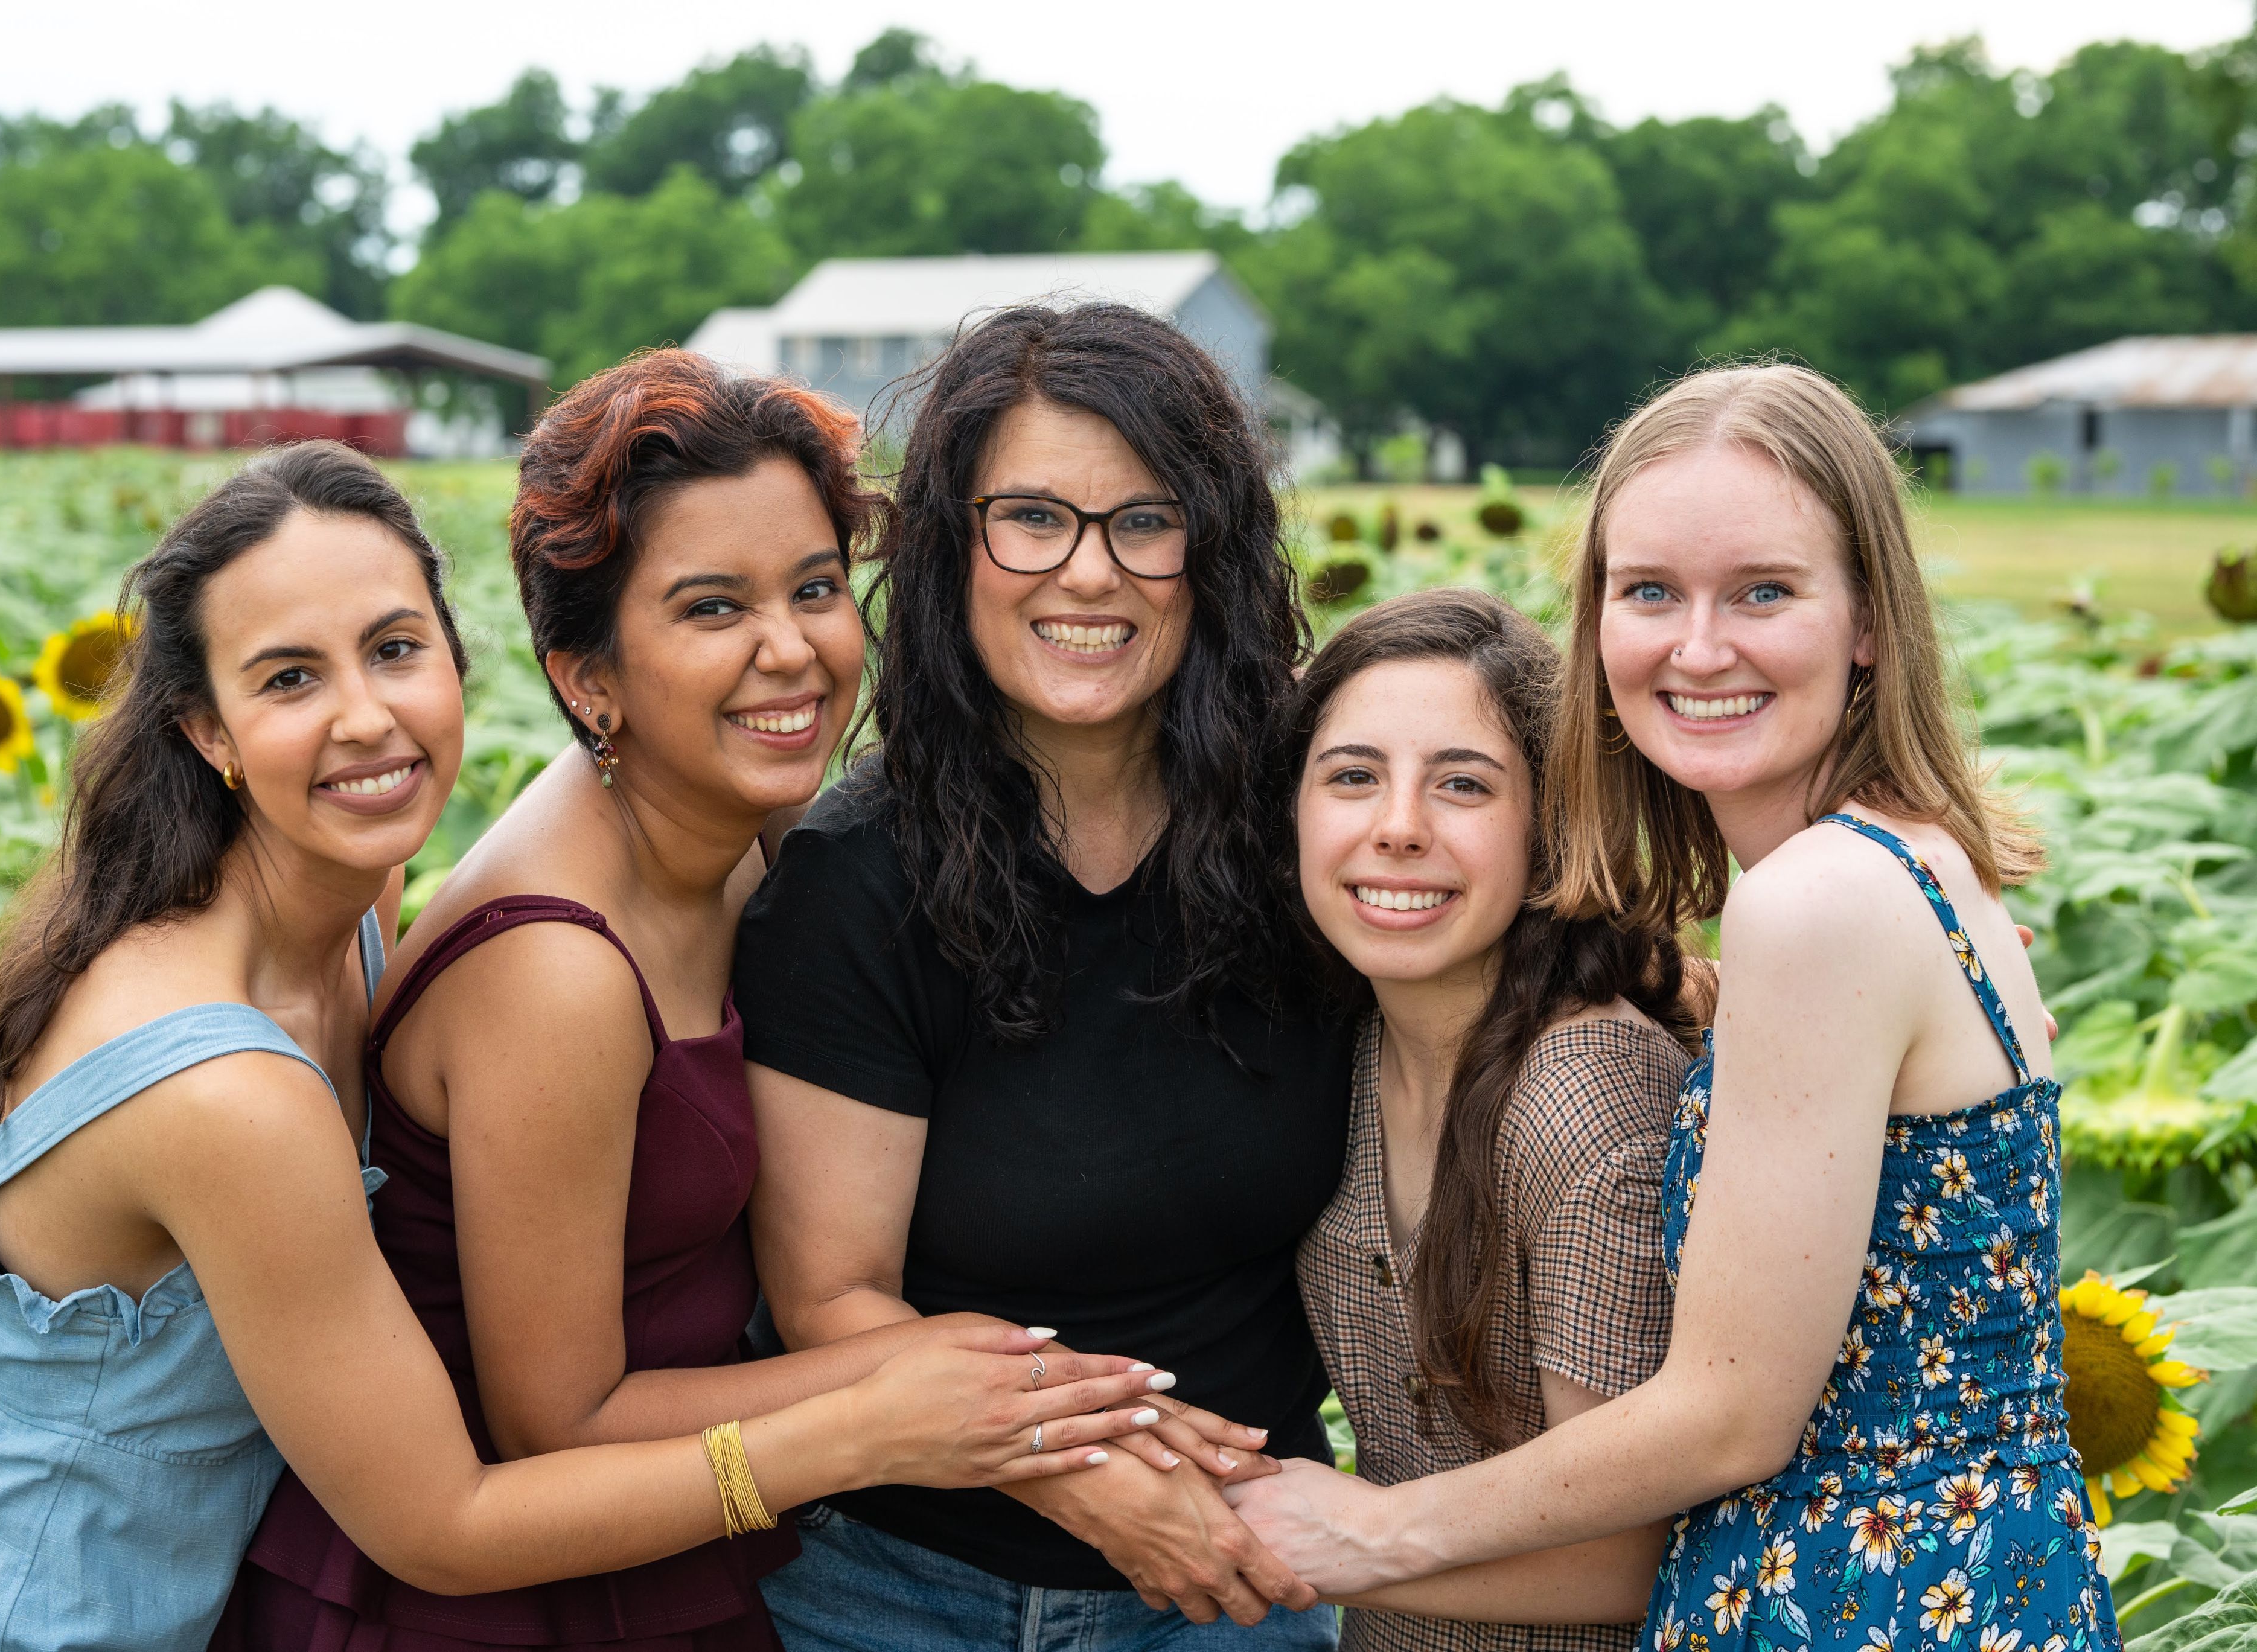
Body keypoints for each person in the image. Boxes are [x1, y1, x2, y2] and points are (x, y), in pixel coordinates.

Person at [0, 441, 1167, 1652]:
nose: (367, 717)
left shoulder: (351, 913)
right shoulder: (222, 1085)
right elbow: (442, 1522)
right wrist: (862, 1429)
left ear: (461, 661)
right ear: (204, 730)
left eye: (395, 649)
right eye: (287, 679)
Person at [220, 354, 1221, 1652]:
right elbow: (554, 1419)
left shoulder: (745, 828)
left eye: (813, 588)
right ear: (587, 674)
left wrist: (1035, 1390)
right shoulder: (557, 969)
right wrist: (944, 1397)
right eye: (709, 609)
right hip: (507, 1600)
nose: (789, 649)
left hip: (674, 1542)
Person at [1227, 364, 2118, 1652]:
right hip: (1967, 1579)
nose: (1697, 648)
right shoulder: (1893, 865)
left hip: (1860, 1598)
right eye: (1648, 593)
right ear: (1592, 627)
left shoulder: (1814, 902)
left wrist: (1363, 1534)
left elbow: (1729, 1415)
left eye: (1762, 590)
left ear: (1866, 617)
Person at [735, 302, 1353, 1650]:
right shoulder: (854, 879)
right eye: (1030, 517)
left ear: (1214, 551)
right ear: (953, 546)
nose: (1089, 574)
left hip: (1236, 1574)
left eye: (1146, 521)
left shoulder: (1309, 834)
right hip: (901, 1588)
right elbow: (830, 1298)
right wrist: (1092, 1475)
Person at [1274, 589, 1696, 1652]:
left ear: (1548, 828)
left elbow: (1628, 1553)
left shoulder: (1583, 1103)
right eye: (1353, 776)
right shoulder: (1349, 1036)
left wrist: (1315, 1546)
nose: (1399, 826)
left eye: (1463, 784)